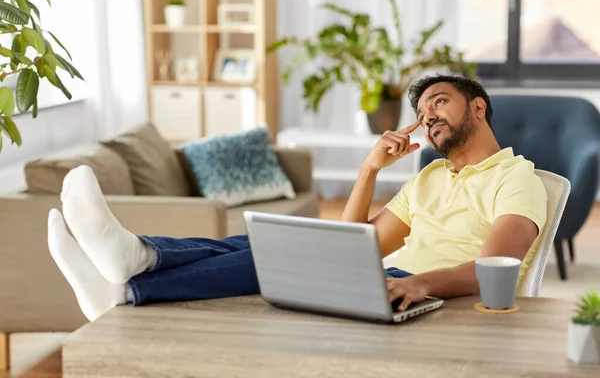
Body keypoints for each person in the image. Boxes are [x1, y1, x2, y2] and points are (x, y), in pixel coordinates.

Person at [48, 75, 547, 322]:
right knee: (254, 246)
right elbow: (356, 244)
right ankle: (132, 270)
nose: (429, 114)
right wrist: (368, 170)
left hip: (431, 294)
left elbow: (494, 269)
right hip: (393, 281)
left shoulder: (516, 177)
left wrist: (419, 283)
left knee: (283, 259)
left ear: (478, 107)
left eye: (440, 101)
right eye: (422, 108)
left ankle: (133, 274)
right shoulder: (430, 177)